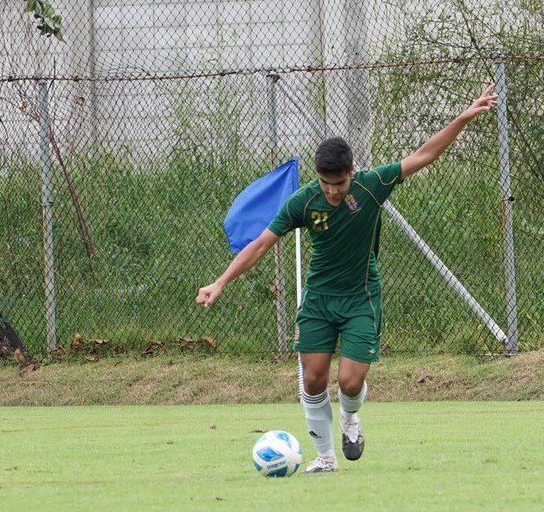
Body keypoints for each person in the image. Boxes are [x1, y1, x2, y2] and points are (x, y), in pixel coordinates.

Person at [197, 85, 497, 473]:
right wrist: (221, 282)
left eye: (338, 184)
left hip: (360, 298)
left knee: (350, 383)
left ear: (351, 173)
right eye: (326, 184)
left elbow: (425, 155)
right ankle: (325, 458)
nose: (332, 191)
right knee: (314, 380)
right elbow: (260, 245)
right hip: (320, 299)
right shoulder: (303, 202)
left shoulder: (372, 186)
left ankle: (351, 419)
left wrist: (462, 118)